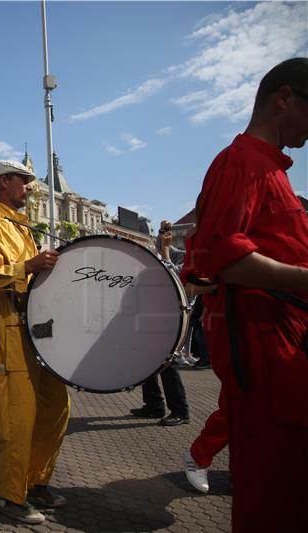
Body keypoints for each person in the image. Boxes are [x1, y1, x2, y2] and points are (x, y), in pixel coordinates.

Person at [182, 58, 308, 532]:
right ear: (285, 98)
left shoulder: (271, 169)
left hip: (284, 348)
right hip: (268, 353)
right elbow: (224, 259)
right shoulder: (242, 162)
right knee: (274, 498)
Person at [0, 159, 69, 525]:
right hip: (10, 329)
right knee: (17, 416)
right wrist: (25, 268)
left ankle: (37, 482)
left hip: (42, 331)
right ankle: (10, 495)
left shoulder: (24, 226)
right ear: (4, 182)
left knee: (57, 406)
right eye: (24, 181)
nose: (29, 186)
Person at [129, 228, 191, 426]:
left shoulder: (190, 257)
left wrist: (165, 251)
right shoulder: (174, 250)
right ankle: (154, 404)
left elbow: (173, 275)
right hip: (155, 313)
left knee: (168, 362)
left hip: (170, 313)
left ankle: (180, 410)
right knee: (147, 360)